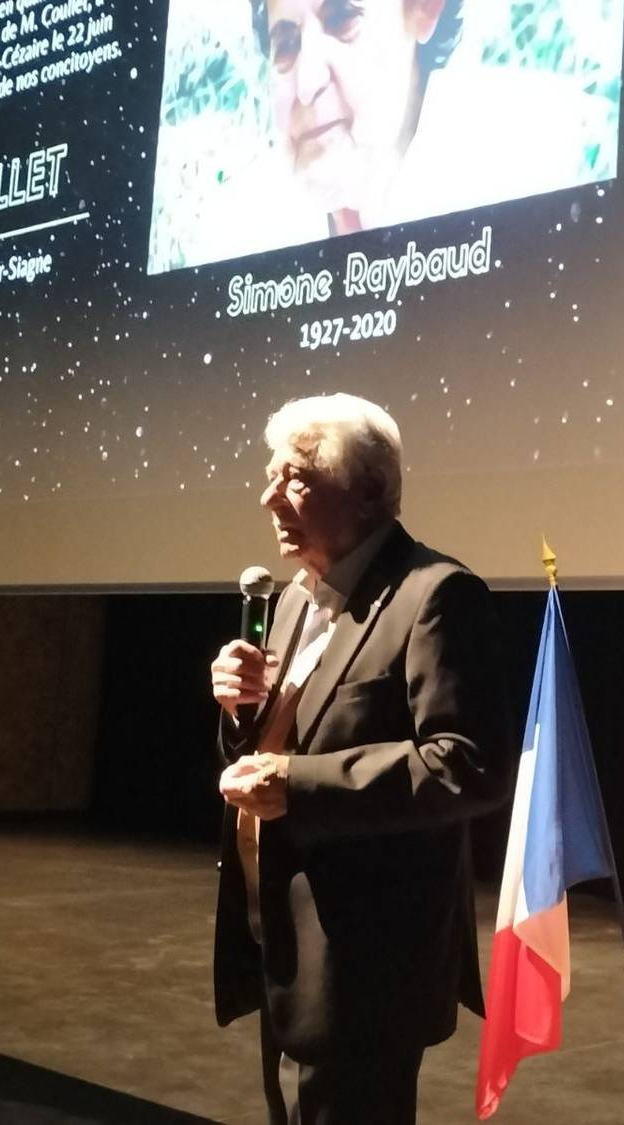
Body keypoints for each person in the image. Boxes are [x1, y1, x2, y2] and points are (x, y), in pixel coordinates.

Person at [208, 392, 513, 1125]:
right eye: (270, 474)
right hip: (283, 938)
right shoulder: (292, 600)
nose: (269, 495)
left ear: (370, 491)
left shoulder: (434, 596)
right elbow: (281, 740)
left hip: (364, 967)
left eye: (297, 478)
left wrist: (299, 783)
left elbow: (465, 762)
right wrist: (240, 711)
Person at [248, 0, 593, 236]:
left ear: (424, 7)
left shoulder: (552, 166)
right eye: (286, 44)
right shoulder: (244, 228)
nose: (307, 85)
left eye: (342, 19)